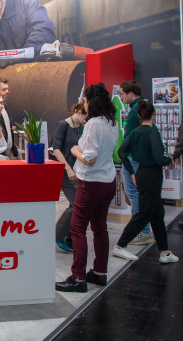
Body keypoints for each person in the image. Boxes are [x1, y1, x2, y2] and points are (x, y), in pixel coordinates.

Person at [55, 83, 118, 293]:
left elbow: (89, 159)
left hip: (90, 183)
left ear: (90, 102)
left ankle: (78, 277)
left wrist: (74, 151)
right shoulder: (111, 122)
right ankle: (100, 272)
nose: (83, 103)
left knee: (77, 229)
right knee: (100, 228)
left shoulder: (93, 125)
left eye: (85, 100)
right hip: (108, 181)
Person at [112, 101, 178, 264]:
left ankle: (165, 252)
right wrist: (169, 160)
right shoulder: (152, 132)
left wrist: (132, 172)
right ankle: (120, 246)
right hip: (152, 176)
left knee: (157, 214)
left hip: (141, 174)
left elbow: (122, 152)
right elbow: (157, 158)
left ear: (140, 115)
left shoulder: (134, 133)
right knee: (144, 213)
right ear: (153, 114)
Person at [119, 80, 153, 245]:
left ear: (130, 93)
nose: (121, 96)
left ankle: (143, 230)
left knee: (134, 194)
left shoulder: (135, 110)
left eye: (123, 93)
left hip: (133, 158)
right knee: (137, 194)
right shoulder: (142, 106)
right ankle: (144, 228)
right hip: (138, 157)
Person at [51, 102, 86, 252]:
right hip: (64, 171)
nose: (86, 118)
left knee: (80, 205)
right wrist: (68, 168)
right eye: (84, 115)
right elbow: (56, 149)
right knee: (75, 203)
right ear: (78, 111)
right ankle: (58, 234)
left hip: (77, 171)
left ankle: (71, 238)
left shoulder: (82, 128)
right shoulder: (63, 125)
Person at [0, 77, 18, 159]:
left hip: (10, 154)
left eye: (7, 89)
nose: (7, 92)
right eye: (4, 89)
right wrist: (1, 156)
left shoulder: (5, 108)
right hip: (0, 156)